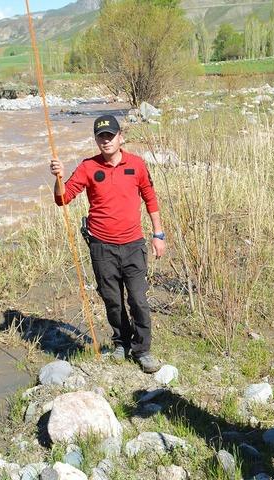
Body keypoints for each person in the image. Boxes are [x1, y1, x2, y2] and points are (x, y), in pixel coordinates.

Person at [50, 115, 166, 373]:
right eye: (101, 136)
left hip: (134, 244)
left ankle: (143, 350)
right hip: (101, 247)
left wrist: (158, 235)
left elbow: (150, 198)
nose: (106, 140)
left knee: (138, 299)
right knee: (112, 300)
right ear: (96, 140)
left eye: (110, 135)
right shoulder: (87, 167)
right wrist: (58, 177)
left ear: (120, 137)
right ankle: (121, 343)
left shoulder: (136, 164)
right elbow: (63, 199)